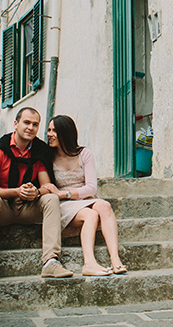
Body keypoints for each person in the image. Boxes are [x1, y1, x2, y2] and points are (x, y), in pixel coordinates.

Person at [0, 107, 73, 284]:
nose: (30, 128)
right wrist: (16, 191)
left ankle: (51, 261)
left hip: (28, 208)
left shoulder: (40, 150)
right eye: (26, 123)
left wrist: (36, 192)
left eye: (35, 124)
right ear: (16, 124)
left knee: (50, 198)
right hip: (3, 208)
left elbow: (47, 186)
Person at [42, 115, 127, 276]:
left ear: (65, 133)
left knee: (104, 205)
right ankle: (89, 263)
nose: (49, 134)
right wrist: (60, 195)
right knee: (91, 215)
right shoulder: (48, 157)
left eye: (54, 131)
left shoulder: (84, 154)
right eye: (49, 130)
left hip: (83, 197)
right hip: (64, 204)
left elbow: (91, 187)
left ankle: (115, 259)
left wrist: (64, 192)